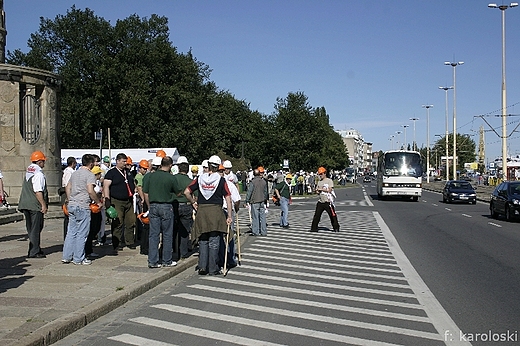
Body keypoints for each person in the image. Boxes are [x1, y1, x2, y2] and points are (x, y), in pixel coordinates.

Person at [184, 155, 232, 275]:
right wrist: (229, 215)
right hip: (215, 211)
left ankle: (202, 266)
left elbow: (187, 192)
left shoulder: (200, 178)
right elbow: (228, 198)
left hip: (202, 212)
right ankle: (213, 268)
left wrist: (193, 202)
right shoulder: (221, 180)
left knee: (203, 239)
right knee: (214, 240)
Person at [62, 154, 103, 265]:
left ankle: (66, 256)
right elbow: (90, 190)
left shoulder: (74, 173)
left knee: (71, 232)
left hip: (72, 204)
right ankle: (78, 258)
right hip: (83, 205)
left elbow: (68, 187)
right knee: (82, 233)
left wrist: (70, 199)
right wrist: (98, 202)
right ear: (90, 163)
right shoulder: (89, 175)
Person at [142, 156, 177, 268]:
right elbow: (178, 192)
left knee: (153, 235)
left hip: (153, 205)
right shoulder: (171, 178)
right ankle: (167, 260)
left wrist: (149, 206)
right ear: (170, 165)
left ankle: (152, 261)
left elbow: (145, 193)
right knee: (167, 234)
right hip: (166, 206)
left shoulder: (150, 176)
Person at [103, 153, 137, 251]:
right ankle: (116, 243)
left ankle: (130, 241)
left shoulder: (128, 172)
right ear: (117, 161)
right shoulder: (111, 173)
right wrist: (107, 199)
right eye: (123, 161)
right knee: (118, 222)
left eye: (126, 161)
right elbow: (106, 186)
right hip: (117, 200)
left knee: (131, 221)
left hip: (128, 200)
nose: (125, 163)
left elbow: (132, 182)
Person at [18, 151, 49, 258]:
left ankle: (34, 249)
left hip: (25, 203)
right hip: (35, 205)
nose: (44, 163)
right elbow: (38, 191)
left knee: (31, 228)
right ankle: (34, 251)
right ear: (39, 162)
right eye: (43, 161)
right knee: (36, 228)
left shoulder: (29, 171)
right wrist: (43, 205)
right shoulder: (38, 174)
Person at [218, 164, 241, 268]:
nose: (220, 173)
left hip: (226, 211)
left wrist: (236, 208)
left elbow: (237, 200)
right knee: (222, 236)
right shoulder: (216, 184)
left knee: (229, 235)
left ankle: (229, 258)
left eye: (221, 171)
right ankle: (225, 258)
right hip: (219, 211)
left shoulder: (229, 184)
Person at [172, 156, 194, 260]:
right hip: (186, 205)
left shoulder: (173, 178)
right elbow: (196, 195)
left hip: (174, 205)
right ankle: (183, 252)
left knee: (172, 229)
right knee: (184, 231)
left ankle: (173, 249)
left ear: (179, 168)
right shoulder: (190, 181)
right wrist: (193, 202)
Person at [310, 166, 340, 233]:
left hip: (328, 201)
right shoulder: (319, 182)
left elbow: (329, 189)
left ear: (324, 173)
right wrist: (317, 191)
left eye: (321, 174)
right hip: (321, 201)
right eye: (319, 174)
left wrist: (321, 189)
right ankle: (314, 228)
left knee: (332, 215)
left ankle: (336, 227)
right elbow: (318, 192)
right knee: (317, 215)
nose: (320, 175)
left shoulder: (329, 181)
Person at [85, 165, 103, 259]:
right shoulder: (92, 182)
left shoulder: (97, 182)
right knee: (91, 229)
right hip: (93, 207)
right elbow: (91, 192)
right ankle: (87, 250)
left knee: (96, 228)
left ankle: (89, 249)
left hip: (97, 208)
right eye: (99, 173)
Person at [245, 167, 268, 236]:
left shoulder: (253, 182)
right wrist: (265, 199)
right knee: (262, 217)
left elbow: (249, 192)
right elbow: (265, 192)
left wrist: (247, 200)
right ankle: (264, 231)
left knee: (255, 217)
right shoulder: (263, 182)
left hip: (254, 201)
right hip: (262, 200)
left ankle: (256, 231)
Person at [61, 156, 76, 239]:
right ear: (73, 163)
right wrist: (68, 198)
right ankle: (67, 236)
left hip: (70, 194)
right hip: (68, 195)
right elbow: (67, 185)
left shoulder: (71, 171)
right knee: (68, 217)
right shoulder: (68, 172)